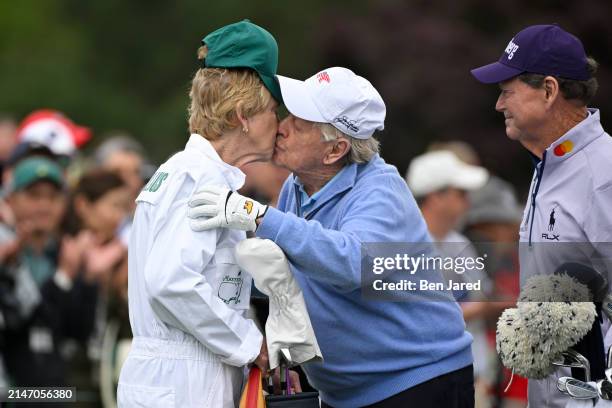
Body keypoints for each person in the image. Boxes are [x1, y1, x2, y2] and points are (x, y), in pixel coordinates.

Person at [188, 67, 474, 408]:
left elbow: (352, 263)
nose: (282, 127)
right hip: (349, 391)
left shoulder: (382, 190)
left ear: (335, 150)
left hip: (418, 382)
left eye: (300, 123)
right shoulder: (297, 186)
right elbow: (291, 278)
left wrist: (261, 216)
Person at [116, 20, 281, 408]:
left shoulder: (190, 172)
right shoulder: (197, 177)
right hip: (184, 381)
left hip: (181, 376)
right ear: (244, 114)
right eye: (274, 109)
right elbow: (170, 280)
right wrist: (249, 344)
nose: (280, 123)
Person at [471, 24, 612, 407]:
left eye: (507, 92)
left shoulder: (603, 174)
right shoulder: (549, 164)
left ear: (549, 91)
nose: (499, 105)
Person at [0, 158, 98, 402]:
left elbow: (78, 331)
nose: (44, 205)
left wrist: (84, 277)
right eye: (33, 195)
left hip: (58, 393)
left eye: (53, 197)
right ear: (10, 200)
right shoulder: (4, 252)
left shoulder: (70, 252)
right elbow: (19, 325)